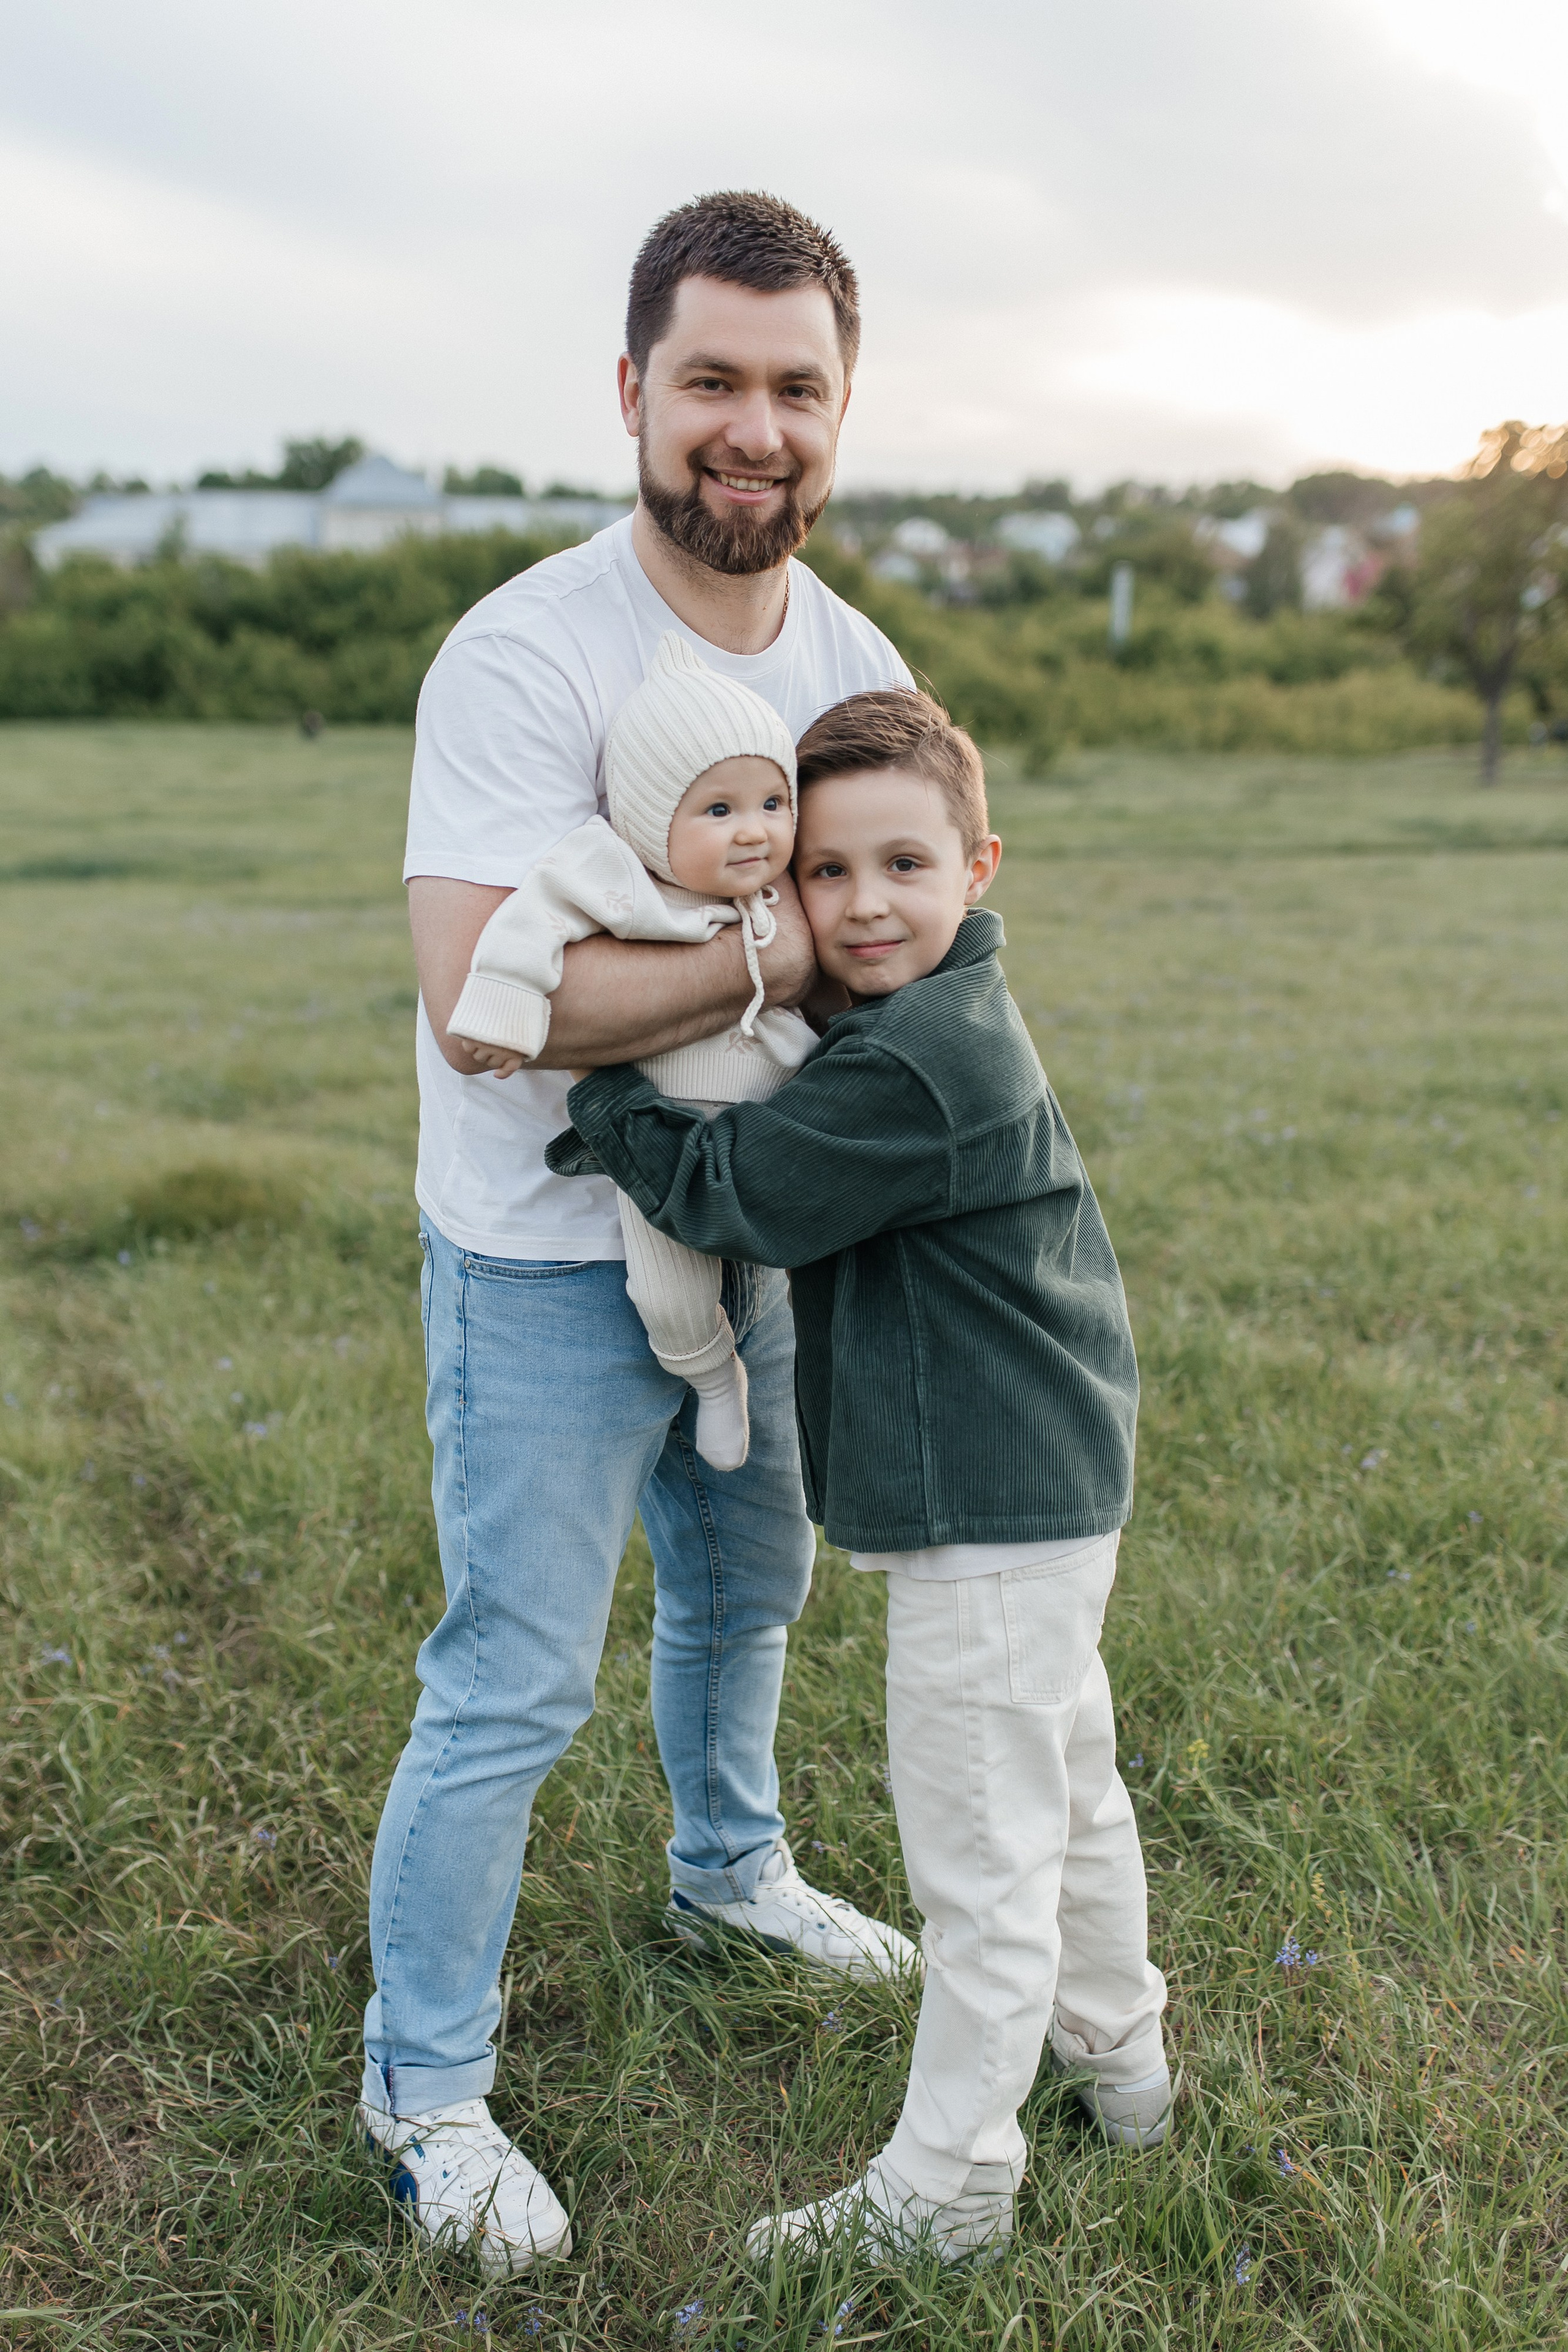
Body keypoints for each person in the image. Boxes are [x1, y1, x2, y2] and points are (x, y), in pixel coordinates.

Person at [359, 190, 919, 2282]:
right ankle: (423, 2085)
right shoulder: (528, 653)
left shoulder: (858, 665)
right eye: (712, 380)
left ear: (842, 408)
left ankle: (730, 1870)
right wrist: (784, 949)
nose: (753, 429)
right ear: (632, 391)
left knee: (749, 1588)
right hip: (544, 1257)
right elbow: (491, 1007)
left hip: (761, 1241)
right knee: (513, 1679)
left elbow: (915, 929)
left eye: (797, 388)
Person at [551, 690, 1171, 2269]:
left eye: (903, 864)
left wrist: (606, 1086)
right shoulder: (933, 1018)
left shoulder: (918, 1062)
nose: (863, 903)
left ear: (978, 865)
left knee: (981, 1860)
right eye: (823, 873)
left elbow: (739, 1191)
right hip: (1039, 1481)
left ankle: (947, 2187)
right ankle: (1123, 2071)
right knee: (1067, 1794)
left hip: (987, 1507)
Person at [447, 632, 815, 1472]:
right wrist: (506, 1006)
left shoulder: (782, 889)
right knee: (667, 1290)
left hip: (778, 1117)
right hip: (665, 1138)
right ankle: (711, 1375)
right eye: (717, 811)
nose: (753, 832)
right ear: (653, 819)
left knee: (812, 1244)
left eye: (773, 803)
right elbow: (531, 919)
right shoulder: (618, 874)